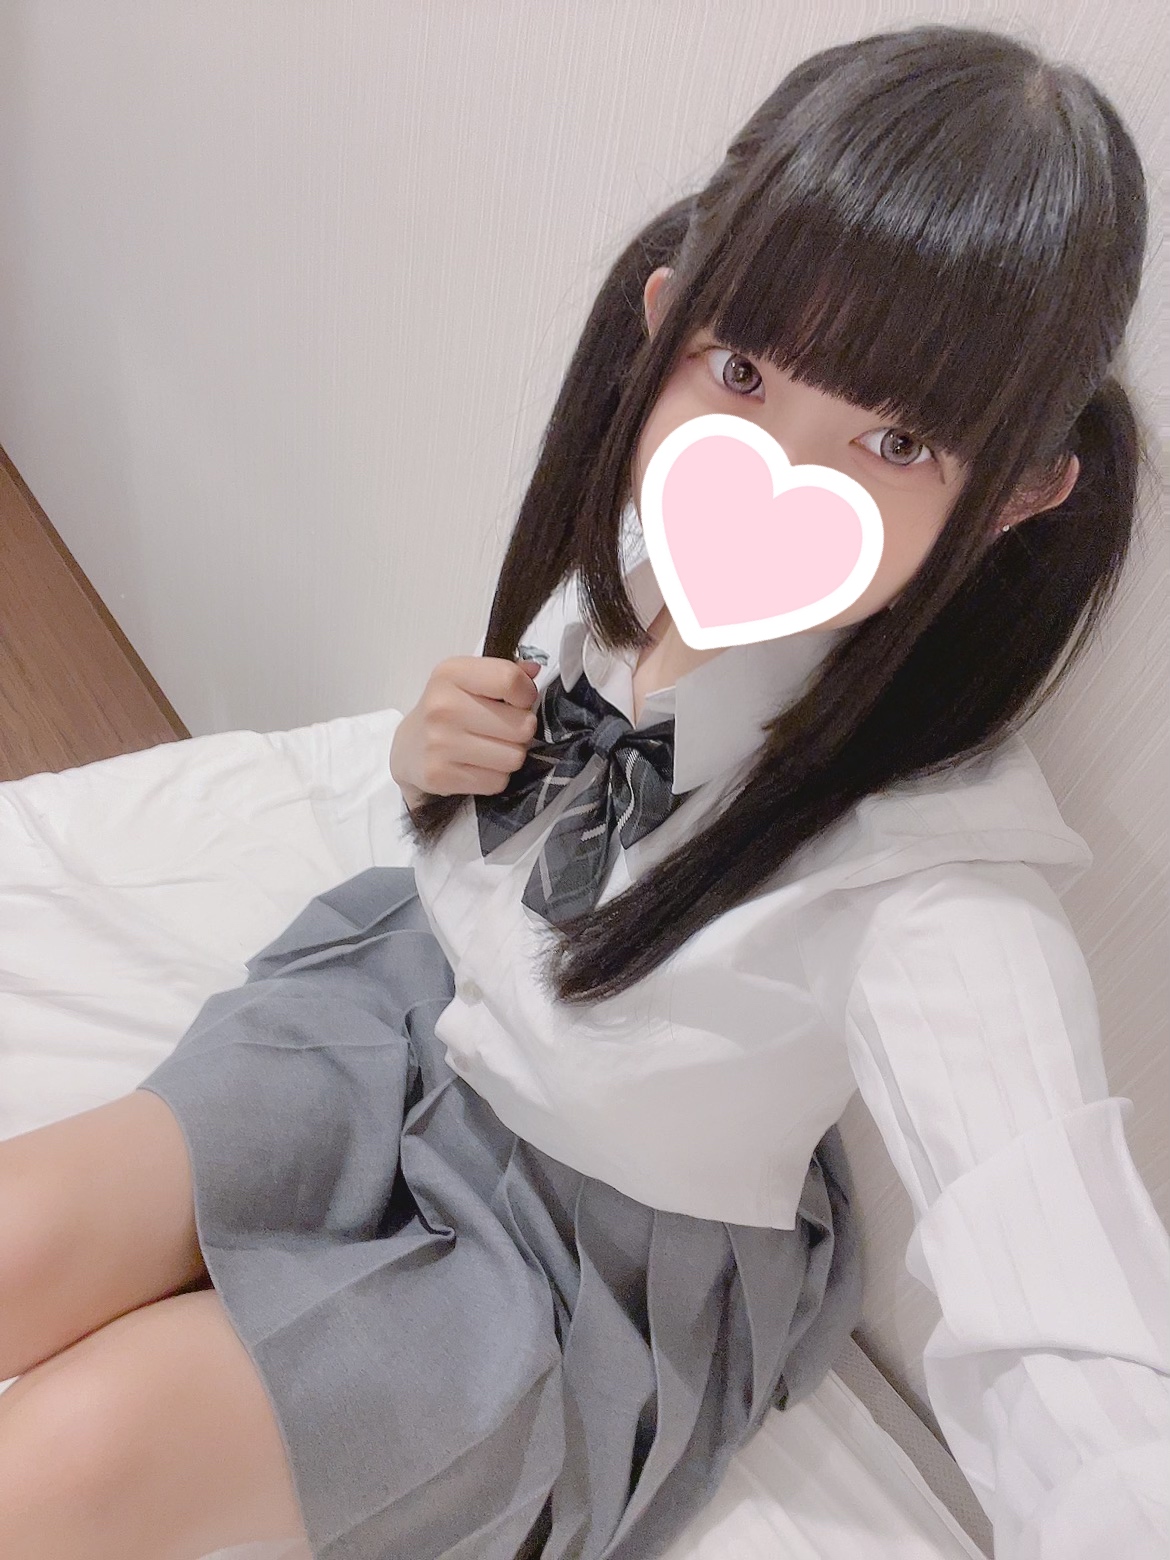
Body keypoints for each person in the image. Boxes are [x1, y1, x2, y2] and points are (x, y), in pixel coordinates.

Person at [0, 20, 1165, 1560]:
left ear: (1016, 494)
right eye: (740, 372)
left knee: (65, 1461)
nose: (779, 475)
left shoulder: (938, 886)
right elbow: (525, 788)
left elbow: (1067, 1335)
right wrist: (431, 758)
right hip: (400, 1010)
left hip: (580, 1247)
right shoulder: (640, 561)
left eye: (893, 440)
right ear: (665, 319)